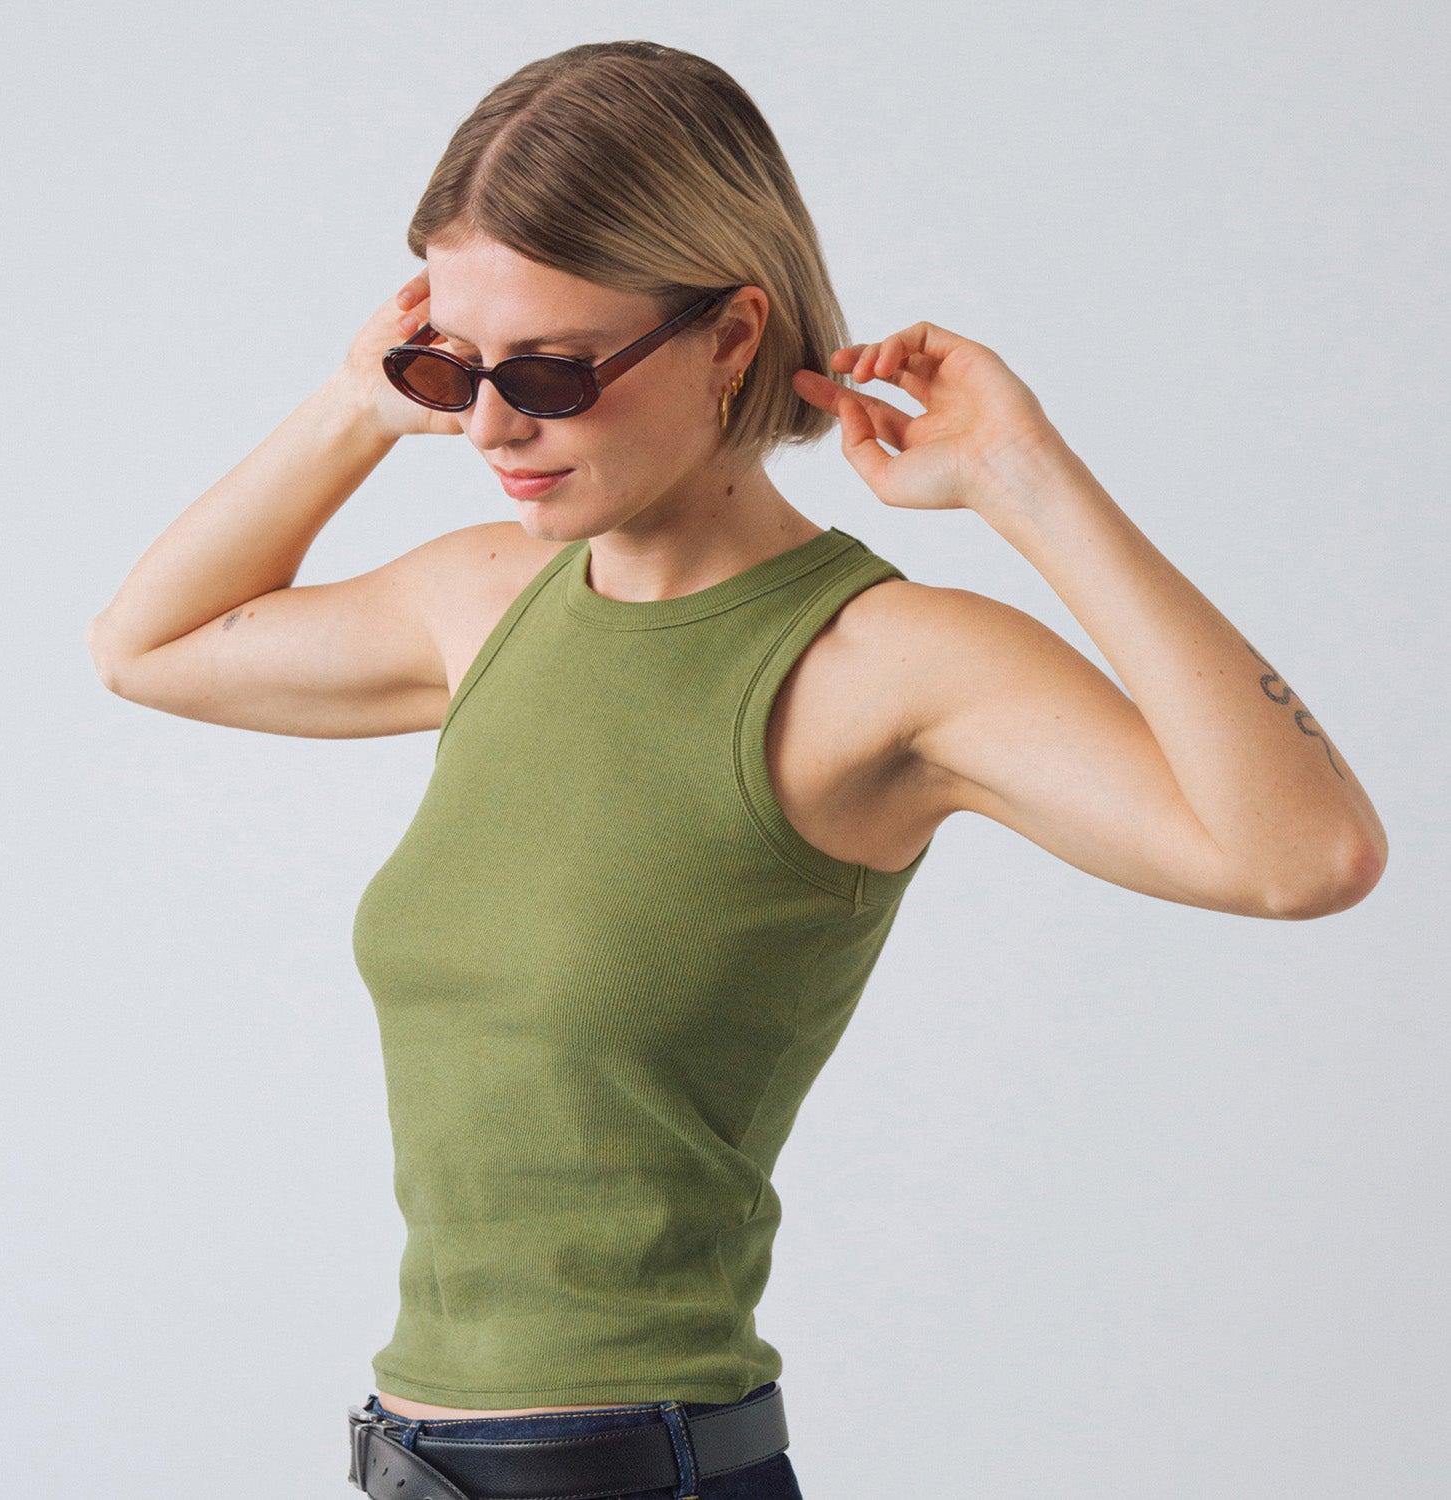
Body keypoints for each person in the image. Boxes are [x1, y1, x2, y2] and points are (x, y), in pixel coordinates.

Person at [85, 38, 1388, 1500]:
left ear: (729, 335)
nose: (490, 426)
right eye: (451, 364)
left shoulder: (875, 661)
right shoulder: (488, 599)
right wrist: (357, 405)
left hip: (636, 1470)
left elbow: (1305, 855)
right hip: (413, 1461)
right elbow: (146, 647)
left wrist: (1028, 483)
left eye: (550, 370)